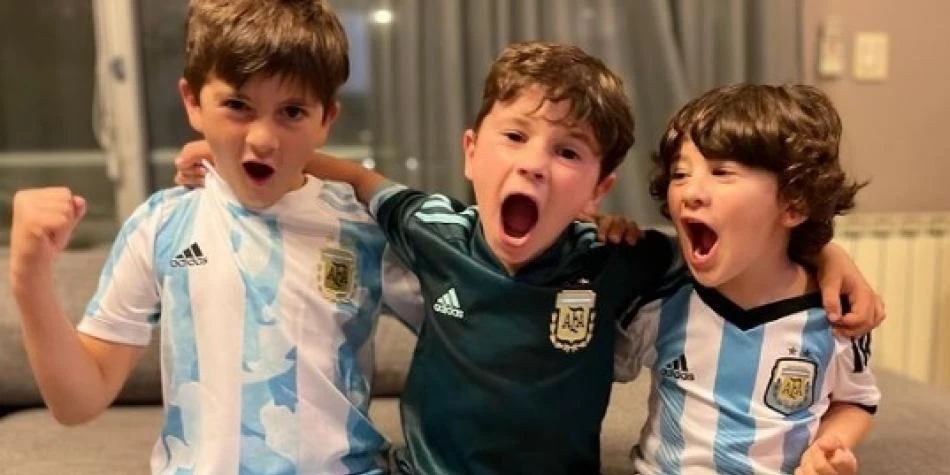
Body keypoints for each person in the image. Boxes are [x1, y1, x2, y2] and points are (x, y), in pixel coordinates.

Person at [174, 42, 884, 474]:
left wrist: (826, 254)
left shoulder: (623, 260)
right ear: (470, 152)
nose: (535, 165)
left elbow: (755, 263)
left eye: (568, 152)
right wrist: (234, 153)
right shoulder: (432, 228)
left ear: (599, 188)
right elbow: (360, 178)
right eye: (513, 137)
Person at [8, 1, 420, 473]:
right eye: (238, 106)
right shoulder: (162, 225)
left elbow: (466, 325)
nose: (263, 139)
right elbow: (77, 402)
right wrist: (29, 278)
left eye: (291, 111)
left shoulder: (365, 231)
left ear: (326, 119)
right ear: (192, 102)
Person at [614, 84, 879, 475]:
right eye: (680, 174)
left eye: (721, 172)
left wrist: (830, 445)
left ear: (795, 202)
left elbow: (856, 399)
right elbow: (584, 361)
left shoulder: (835, 316)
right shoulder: (664, 298)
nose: (690, 191)